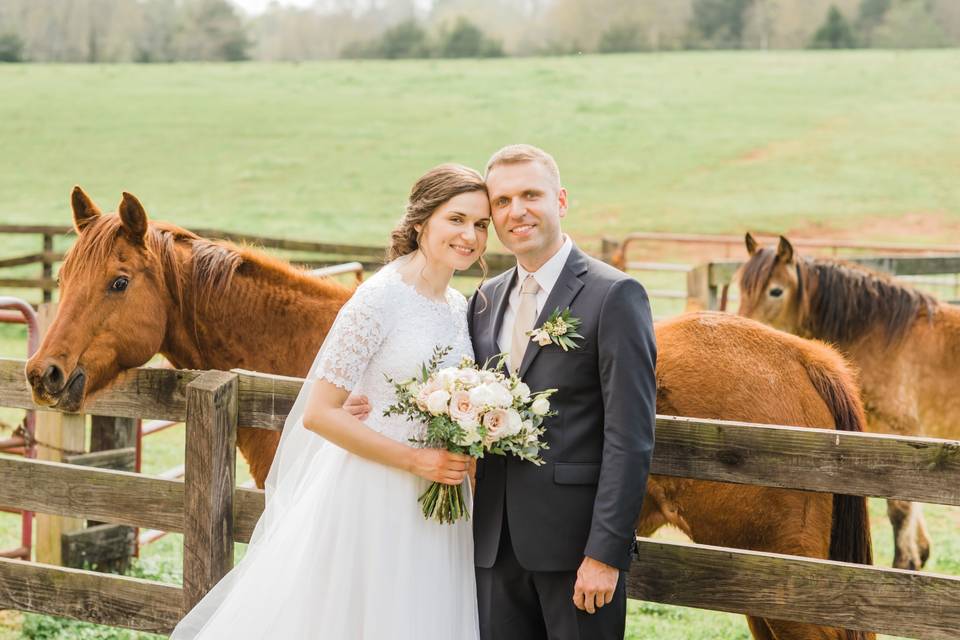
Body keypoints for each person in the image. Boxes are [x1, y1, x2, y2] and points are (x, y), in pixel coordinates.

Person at [170, 163, 491, 639]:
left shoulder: (458, 305)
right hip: (375, 495)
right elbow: (320, 414)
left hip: (438, 498)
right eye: (457, 219)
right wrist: (414, 458)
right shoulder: (377, 298)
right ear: (421, 222)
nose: (470, 235)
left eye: (480, 225)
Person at [469, 144, 656, 640]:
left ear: (561, 200)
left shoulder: (613, 295)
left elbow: (630, 436)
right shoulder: (484, 300)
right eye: (502, 201)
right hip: (491, 547)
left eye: (531, 194)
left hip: (576, 552)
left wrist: (605, 553)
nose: (517, 211)